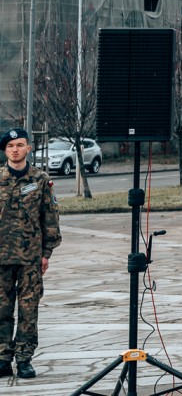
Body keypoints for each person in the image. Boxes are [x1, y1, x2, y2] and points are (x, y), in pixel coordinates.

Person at [0, 128, 61, 378]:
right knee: (1, 309)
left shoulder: (40, 179)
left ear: (28, 148)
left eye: (19, 145)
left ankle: (24, 358)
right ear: (5, 150)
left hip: (30, 258)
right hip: (1, 257)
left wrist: (46, 253)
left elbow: (50, 217)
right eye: (10, 146)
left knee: (28, 309)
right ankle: (2, 357)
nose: (15, 150)